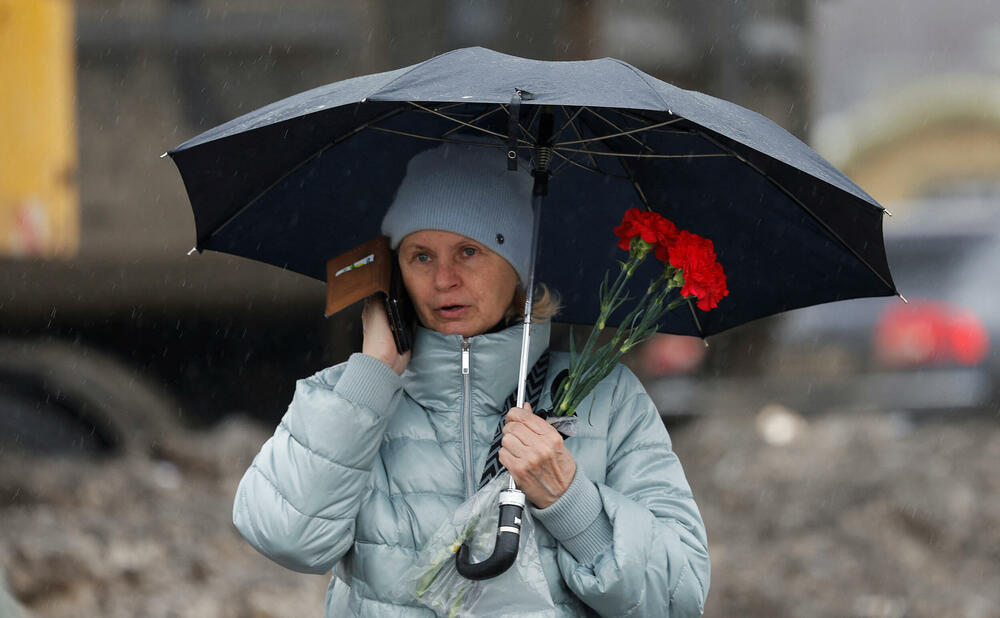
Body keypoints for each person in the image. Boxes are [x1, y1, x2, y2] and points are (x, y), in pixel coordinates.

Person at [233, 144, 710, 616]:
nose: (443, 280)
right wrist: (372, 376)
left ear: (520, 267)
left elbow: (677, 597)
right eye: (421, 256)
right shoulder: (350, 395)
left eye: (469, 251)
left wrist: (571, 503)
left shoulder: (609, 399)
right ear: (393, 271)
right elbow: (287, 540)